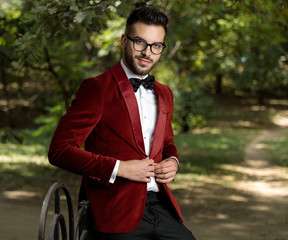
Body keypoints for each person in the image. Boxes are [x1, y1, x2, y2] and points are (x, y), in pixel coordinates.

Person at [48, 6, 196, 240]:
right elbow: (60, 151)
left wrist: (173, 162)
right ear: (124, 40)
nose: (148, 52)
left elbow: (167, 145)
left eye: (156, 45)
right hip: (114, 211)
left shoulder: (165, 93)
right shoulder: (97, 88)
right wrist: (119, 168)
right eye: (140, 42)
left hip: (161, 207)